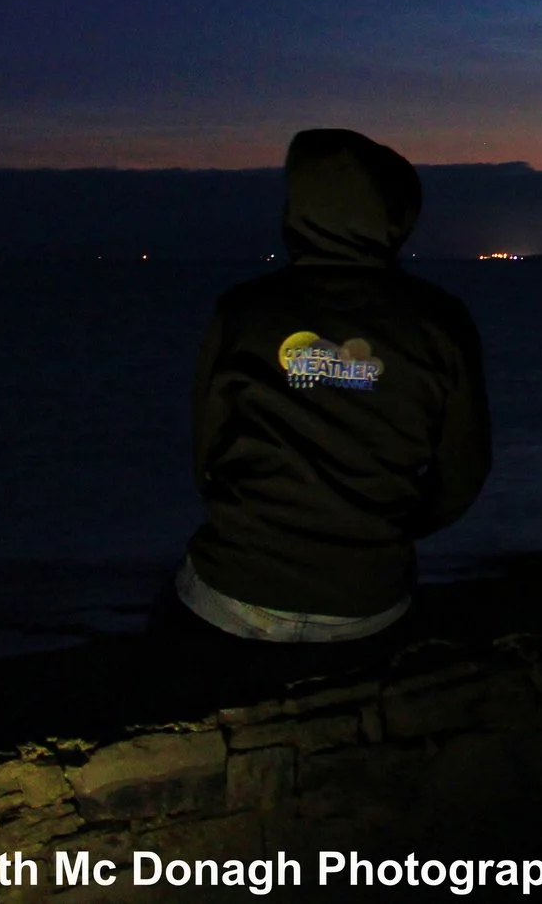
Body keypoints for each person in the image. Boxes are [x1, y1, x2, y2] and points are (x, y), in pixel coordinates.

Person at [168, 128, 491, 643]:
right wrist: (384, 532)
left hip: (235, 582)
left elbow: (206, 454)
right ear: (398, 215)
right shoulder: (439, 322)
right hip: (366, 597)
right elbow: (465, 471)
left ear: (298, 210)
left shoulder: (243, 311)